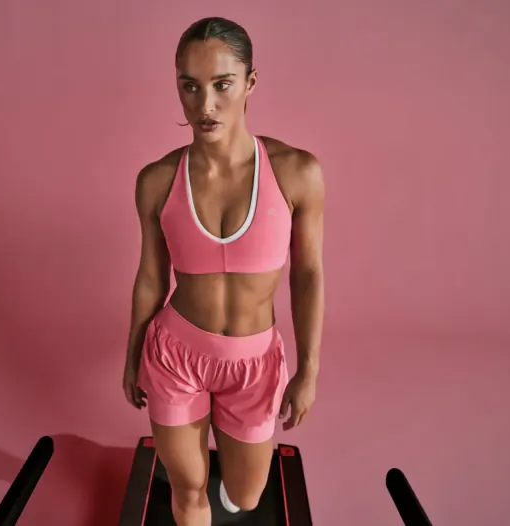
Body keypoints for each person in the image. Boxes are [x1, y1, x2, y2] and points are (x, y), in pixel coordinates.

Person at [122, 16, 325, 526]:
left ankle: (234, 495)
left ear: (250, 82)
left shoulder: (297, 172)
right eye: (189, 87)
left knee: (247, 495)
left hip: (254, 365)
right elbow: (150, 276)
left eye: (222, 85)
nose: (204, 105)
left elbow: (308, 275)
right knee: (188, 490)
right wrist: (131, 357)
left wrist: (310, 367)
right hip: (175, 357)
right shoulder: (157, 180)